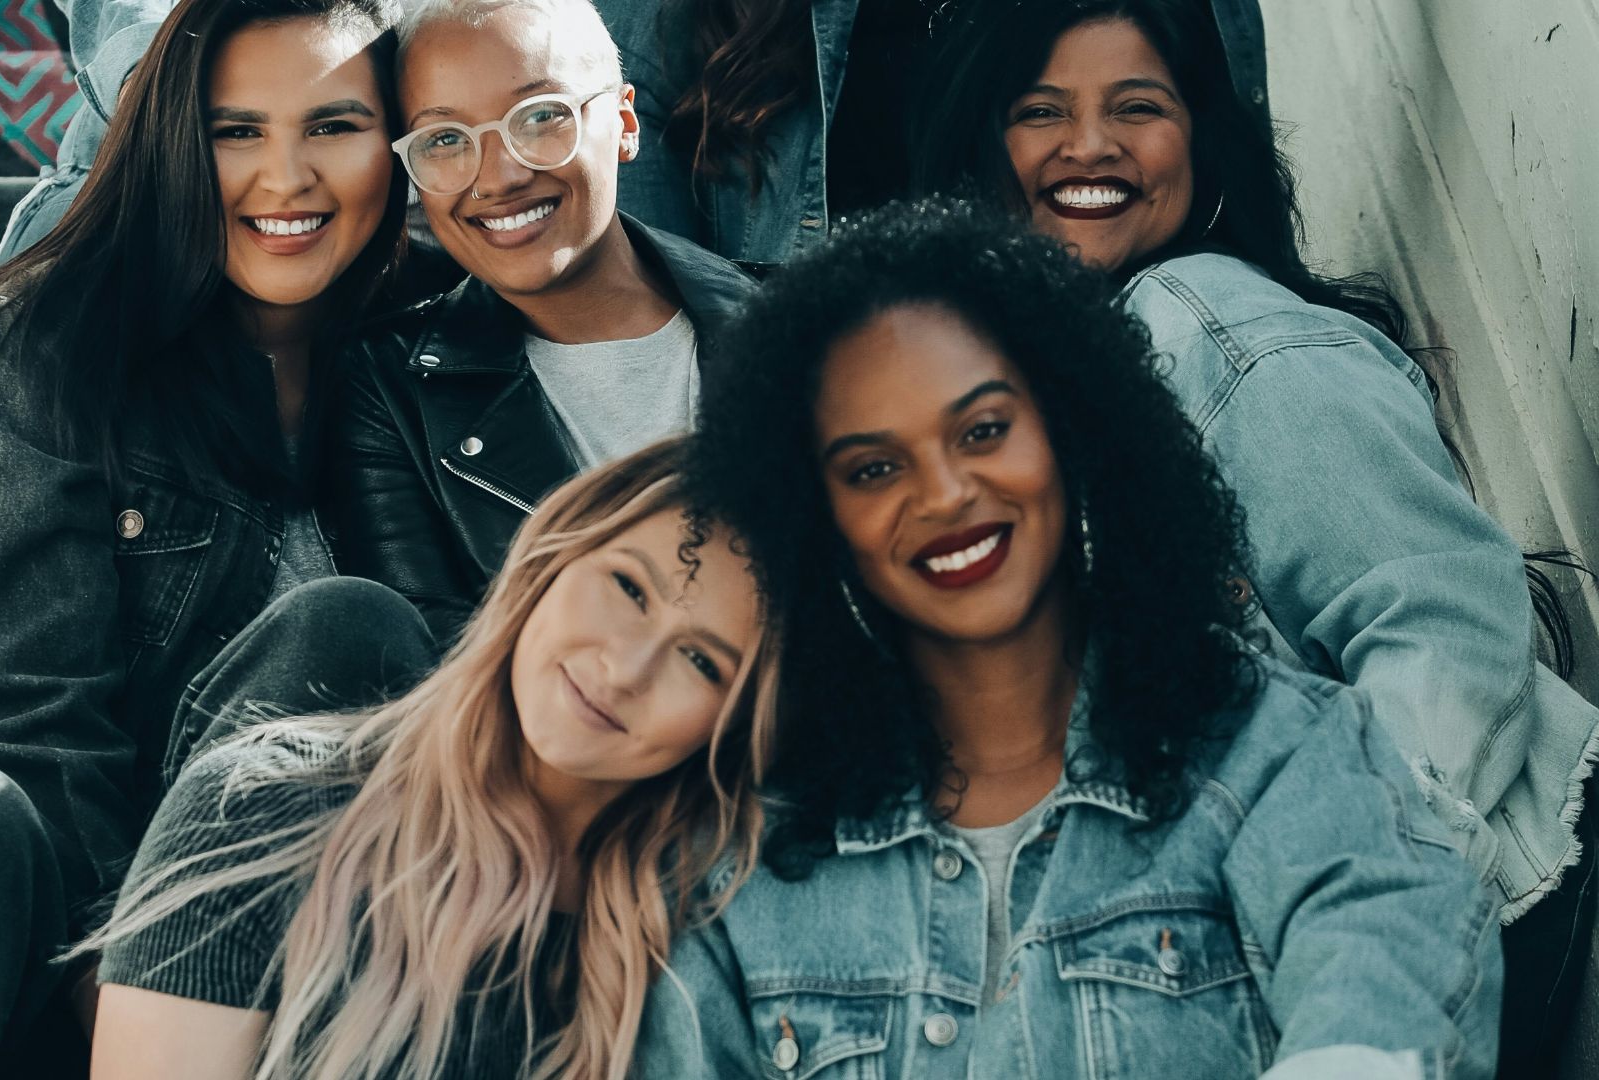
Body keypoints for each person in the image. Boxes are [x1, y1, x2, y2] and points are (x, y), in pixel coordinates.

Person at [640, 197, 1502, 1079]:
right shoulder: (739, 863)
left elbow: (1390, 1005)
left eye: (983, 430)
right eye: (873, 469)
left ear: (1073, 428)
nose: (943, 494)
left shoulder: (1281, 756)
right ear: (813, 517)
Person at [919, 1, 1599, 1070]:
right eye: (1040, 110)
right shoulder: (1036, 407)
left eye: (1136, 107)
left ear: (1203, 149)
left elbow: (1441, 622)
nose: (1088, 144)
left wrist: (1340, 924)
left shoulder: (1206, 323)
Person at [0, 2, 425, 1075]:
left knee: (352, 627)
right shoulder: (40, 347)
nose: (287, 177)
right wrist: (124, 992)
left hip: (245, 943)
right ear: (171, 140)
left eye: (335, 125)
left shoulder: (422, 369)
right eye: (236, 130)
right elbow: (15, 730)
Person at [86, 438, 777, 1080]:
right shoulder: (257, 807)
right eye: (628, 587)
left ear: (733, 725)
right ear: (553, 554)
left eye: (700, 660)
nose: (626, 669)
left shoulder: (708, 949)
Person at [324, 0, 756, 645]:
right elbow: (441, 678)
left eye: (541, 116)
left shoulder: (805, 323)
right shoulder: (386, 390)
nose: (499, 177)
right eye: (445, 140)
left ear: (625, 119)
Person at [588, 0, 1267, 268]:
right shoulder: (657, 20)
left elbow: (1228, 203)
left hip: (1124, 409)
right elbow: (644, 332)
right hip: (814, 458)